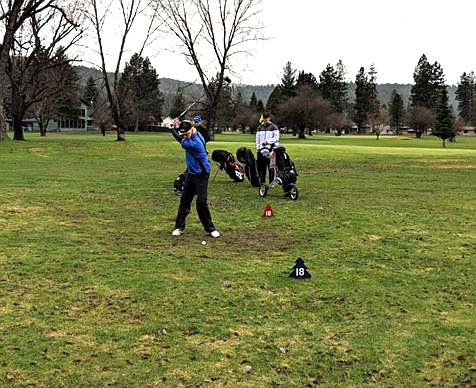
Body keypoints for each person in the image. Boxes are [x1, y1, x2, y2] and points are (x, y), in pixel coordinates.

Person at [171, 118, 219, 238]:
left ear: (191, 130)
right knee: (184, 201)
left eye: (186, 134)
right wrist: (177, 126)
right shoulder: (193, 133)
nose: (185, 136)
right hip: (191, 174)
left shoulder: (194, 143)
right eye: (183, 134)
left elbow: (179, 139)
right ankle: (179, 227)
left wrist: (172, 129)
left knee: (201, 202)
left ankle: (210, 228)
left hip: (202, 175)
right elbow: (181, 134)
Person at [255, 112, 280, 184]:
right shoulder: (260, 127)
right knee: (261, 168)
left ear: (269, 118)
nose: (265, 119)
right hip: (261, 150)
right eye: (264, 118)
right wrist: (258, 147)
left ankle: (271, 182)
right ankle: (262, 182)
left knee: (271, 167)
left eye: (266, 118)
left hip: (270, 150)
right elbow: (257, 138)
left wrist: (267, 142)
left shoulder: (273, 127)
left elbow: (276, 138)